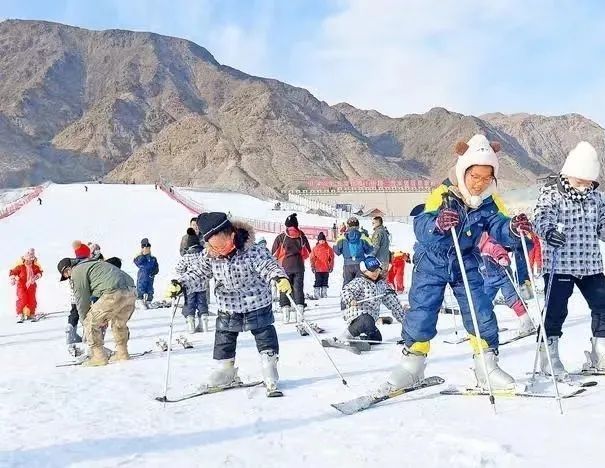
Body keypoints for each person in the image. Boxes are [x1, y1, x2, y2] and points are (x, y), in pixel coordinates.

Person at [378, 134, 532, 394]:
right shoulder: (442, 194)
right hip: (432, 259)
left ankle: (487, 365)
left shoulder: (488, 202)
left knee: (479, 307)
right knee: (423, 310)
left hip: (466, 259)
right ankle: (412, 365)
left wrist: (513, 229)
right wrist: (438, 223)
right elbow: (421, 225)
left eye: (486, 178)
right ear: (464, 172)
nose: (479, 184)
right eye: (475, 177)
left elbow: (499, 226)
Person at [174, 212, 292, 395]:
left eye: (225, 245)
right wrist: (180, 283)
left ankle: (269, 366)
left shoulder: (252, 249)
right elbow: (197, 272)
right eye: (216, 248)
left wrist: (278, 277)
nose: (222, 251)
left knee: (264, 333)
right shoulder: (210, 255)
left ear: (232, 234)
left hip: (256, 300)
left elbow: (269, 265)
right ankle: (225, 370)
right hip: (228, 304)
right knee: (224, 337)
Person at [534, 141, 605, 374]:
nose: (584, 187)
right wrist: (549, 232)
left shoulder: (597, 198)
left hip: (591, 264)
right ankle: (549, 357)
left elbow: (602, 225)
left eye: (589, 183)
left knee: (603, 305)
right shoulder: (552, 194)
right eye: (579, 182)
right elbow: (540, 217)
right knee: (556, 310)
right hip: (560, 264)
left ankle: (601, 353)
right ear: (569, 174)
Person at [57, 256, 136, 366]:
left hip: (113, 292)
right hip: (131, 291)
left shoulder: (77, 272)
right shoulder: (92, 263)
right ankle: (122, 353)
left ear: (67, 269)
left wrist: (85, 321)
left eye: (66, 276)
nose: (68, 278)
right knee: (119, 323)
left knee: (90, 322)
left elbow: (82, 300)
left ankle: (98, 357)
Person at [339, 256, 405, 351]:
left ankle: (360, 340)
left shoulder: (382, 285)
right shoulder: (359, 282)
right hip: (357, 316)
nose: (375, 273)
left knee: (377, 339)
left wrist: (405, 321)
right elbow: (346, 291)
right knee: (366, 319)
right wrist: (351, 299)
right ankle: (345, 337)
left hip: (371, 320)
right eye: (372, 271)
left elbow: (394, 304)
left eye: (377, 270)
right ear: (364, 271)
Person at [478, 233, 536, 336]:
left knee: (512, 299)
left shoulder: (490, 244)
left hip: (503, 277)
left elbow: (500, 251)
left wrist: (502, 258)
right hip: (487, 280)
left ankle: (527, 322)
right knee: (484, 302)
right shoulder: (472, 247)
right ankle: (487, 326)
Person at [271, 214, 311, 323]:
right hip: (299, 266)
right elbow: (307, 253)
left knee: (284, 288)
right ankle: (299, 315)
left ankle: (286, 315)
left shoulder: (281, 237)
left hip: (285, 266)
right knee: (298, 289)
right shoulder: (302, 236)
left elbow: (274, 253)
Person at [176, 228, 210, 333]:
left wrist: (185, 275)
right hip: (202, 284)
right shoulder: (202, 254)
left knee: (189, 303)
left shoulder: (186, 257)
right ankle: (203, 321)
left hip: (189, 286)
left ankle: (190, 322)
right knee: (202, 302)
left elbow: (178, 268)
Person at [333, 216, 373, 286]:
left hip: (347, 264)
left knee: (347, 283)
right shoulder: (363, 237)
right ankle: (360, 296)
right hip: (360, 264)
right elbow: (370, 250)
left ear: (347, 226)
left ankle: (346, 296)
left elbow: (336, 251)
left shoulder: (342, 237)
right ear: (358, 226)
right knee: (360, 284)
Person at [65, 241, 92, 344]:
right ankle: (87, 334)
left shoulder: (72, 266)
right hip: (85, 295)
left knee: (74, 312)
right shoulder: (86, 265)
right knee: (87, 314)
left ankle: (70, 328)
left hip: (74, 295)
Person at [9, 249, 43, 322]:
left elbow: (40, 272)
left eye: (30, 260)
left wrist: (36, 276)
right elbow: (12, 272)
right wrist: (13, 279)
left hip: (31, 285)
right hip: (21, 285)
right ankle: (20, 313)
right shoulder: (20, 267)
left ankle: (31, 313)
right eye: (26, 260)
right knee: (22, 298)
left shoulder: (35, 267)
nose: (28, 261)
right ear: (24, 259)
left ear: (33, 260)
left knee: (32, 299)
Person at [309, 232, 335, 299]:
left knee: (325, 281)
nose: (322, 242)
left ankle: (324, 292)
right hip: (318, 268)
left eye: (323, 240)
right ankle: (317, 293)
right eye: (320, 240)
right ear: (318, 241)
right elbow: (312, 258)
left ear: (325, 240)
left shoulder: (328, 249)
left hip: (326, 268)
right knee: (318, 280)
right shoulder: (315, 248)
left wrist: (331, 266)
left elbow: (331, 258)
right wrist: (313, 266)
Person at [134, 238, 159, 304]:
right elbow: (138, 262)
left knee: (150, 289)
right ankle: (140, 300)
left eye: (148, 248)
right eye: (145, 248)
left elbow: (156, 267)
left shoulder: (153, 258)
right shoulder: (139, 257)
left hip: (150, 276)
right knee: (141, 287)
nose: (147, 249)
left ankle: (149, 301)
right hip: (143, 276)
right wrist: (142, 254)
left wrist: (154, 272)